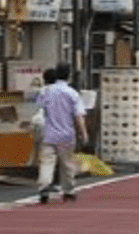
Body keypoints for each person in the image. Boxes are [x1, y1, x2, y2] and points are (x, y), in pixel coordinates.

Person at [37, 62, 87, 204]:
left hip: (48, 134)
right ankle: (68, 191)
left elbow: (39, 108)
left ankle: (44, 186)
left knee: (46, 163)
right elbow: (78, 116)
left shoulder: (46, 91)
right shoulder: (72, 93)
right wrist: (83, 133)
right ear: (69, 75)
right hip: (66, 134)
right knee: (67, 164)